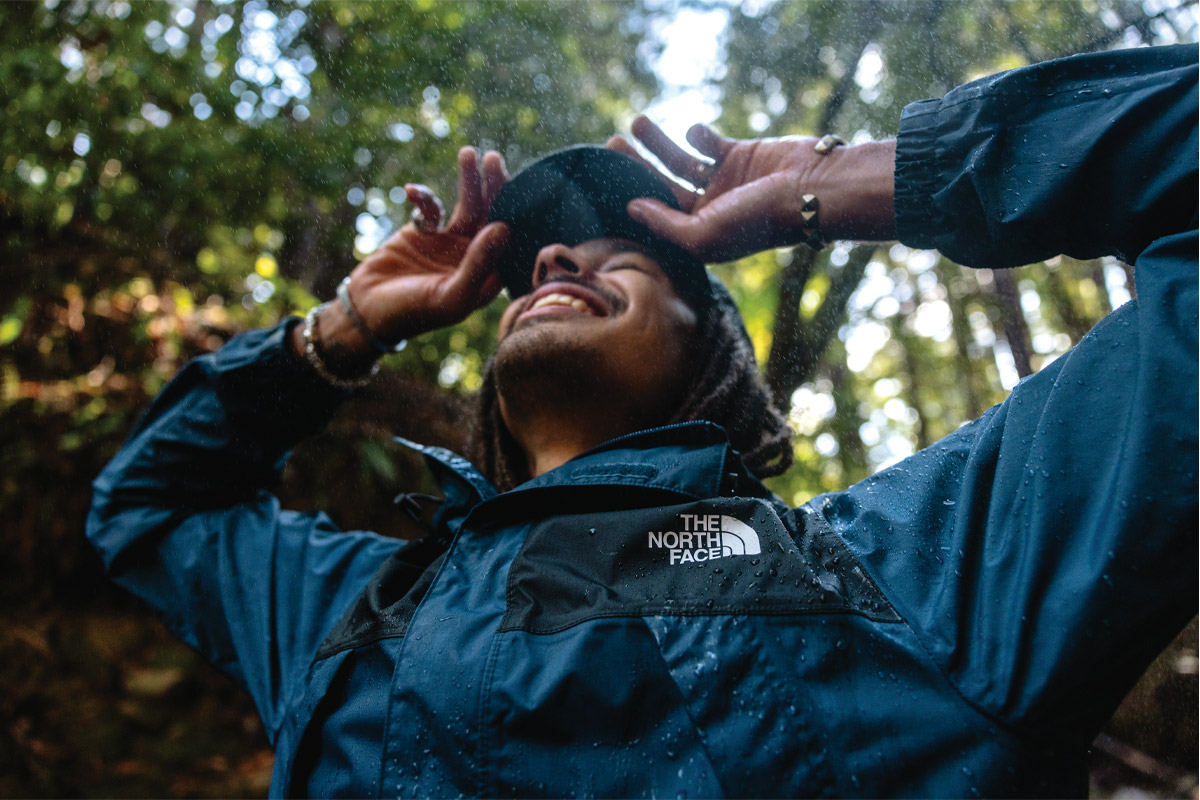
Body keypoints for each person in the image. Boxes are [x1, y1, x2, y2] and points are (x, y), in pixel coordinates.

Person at [87, 43, 1197, 797]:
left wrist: (857, 178)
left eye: (624, 256)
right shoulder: (345, 609)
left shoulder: (900, 577)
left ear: (711, 352)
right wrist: (341, 329)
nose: (553, 263)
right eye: (536, 264)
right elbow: (145, 506)